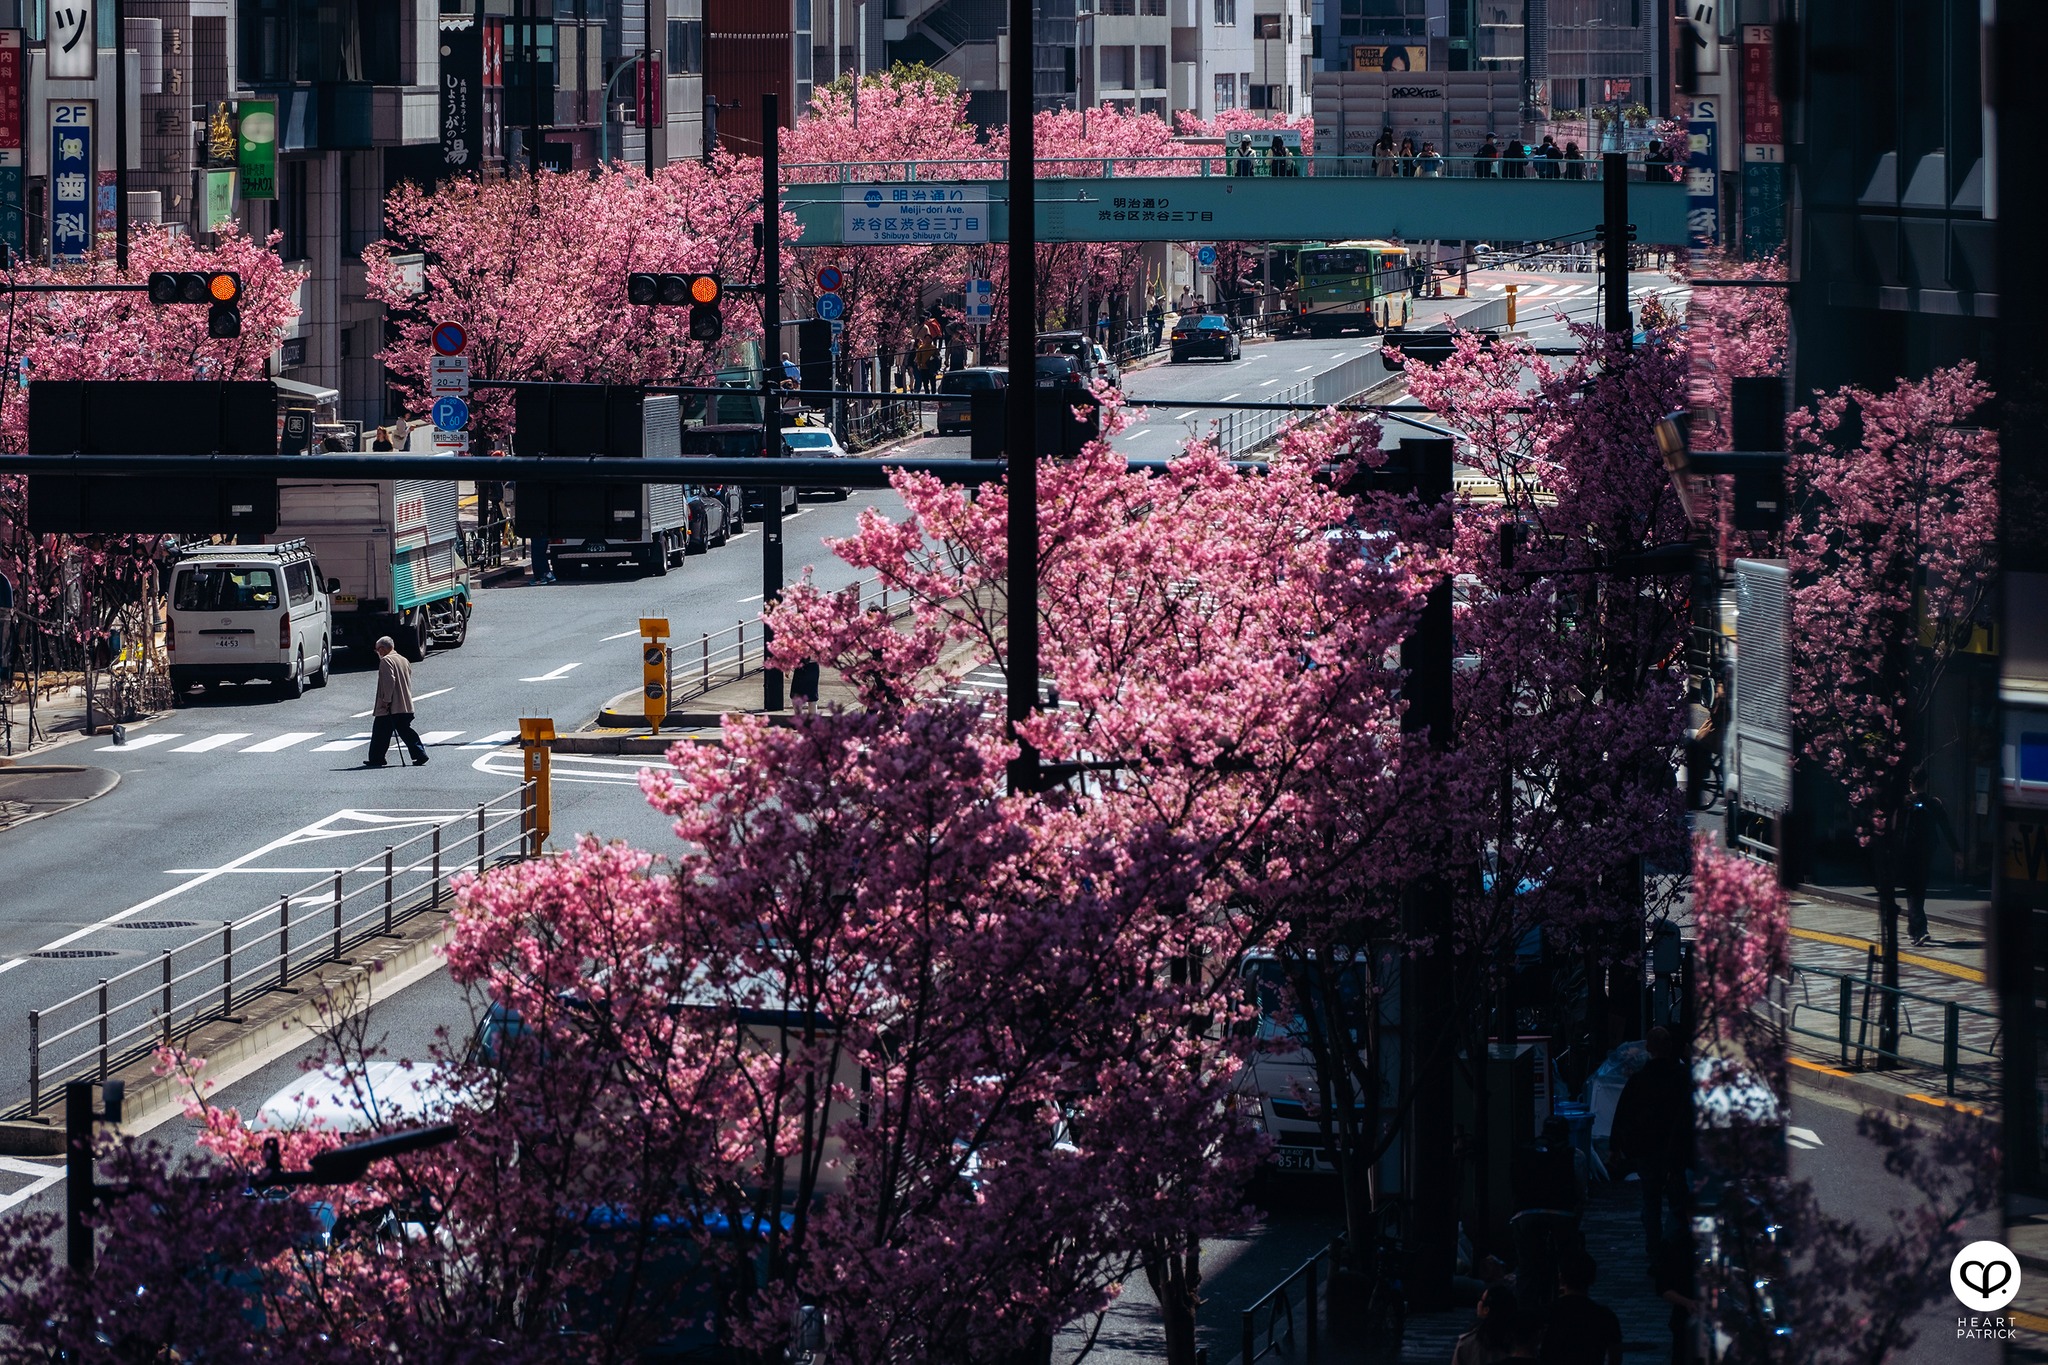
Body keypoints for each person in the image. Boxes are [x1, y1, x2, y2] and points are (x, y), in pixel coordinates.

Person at [1609, 1026, 1692, 1260]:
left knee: (1651, 1200)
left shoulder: (1639, 1080)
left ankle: (1654, 1249)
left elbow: (1622, 1113)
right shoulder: (1683, 1077)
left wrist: (1615, 1148)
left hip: (1646, 1149)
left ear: (1649, 1049)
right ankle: (1675, 1248)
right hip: (1676, 1150)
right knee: (1677, 1202)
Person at [1901, 768, 1961, 946]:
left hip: (1908, 850)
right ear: (1926, 782)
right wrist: (1956, 851)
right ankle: (1914, 929)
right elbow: (1946, 828)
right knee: (1919, 888)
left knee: (1913, 890)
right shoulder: (1934, 803)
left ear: (1911, 783)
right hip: (1927, 851)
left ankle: (1919, 929)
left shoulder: (1905, 802)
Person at [1541, 1250, 1624, 1365]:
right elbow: (1615, 1358)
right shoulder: (1605, 1317)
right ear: (1592, 1279)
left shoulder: (1546, 1315)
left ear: (1561, 1278)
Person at [365, 636, 428, 769]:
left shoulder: (386, 661)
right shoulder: (403, 660)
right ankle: (420, 753)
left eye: (377, 650)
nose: (377, 653)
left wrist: (386, 700)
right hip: (405, 705)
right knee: (405, 730)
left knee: (380, 732)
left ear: (382, 649)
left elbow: (389, 682)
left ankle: (377, 758)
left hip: (392, 706)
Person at [1452, 1283, 1520, 1365]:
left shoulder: (1467, 1343)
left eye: (1481, 1299)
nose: (1479, 1303)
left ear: (1486, 1310)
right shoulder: (1521, 1342)